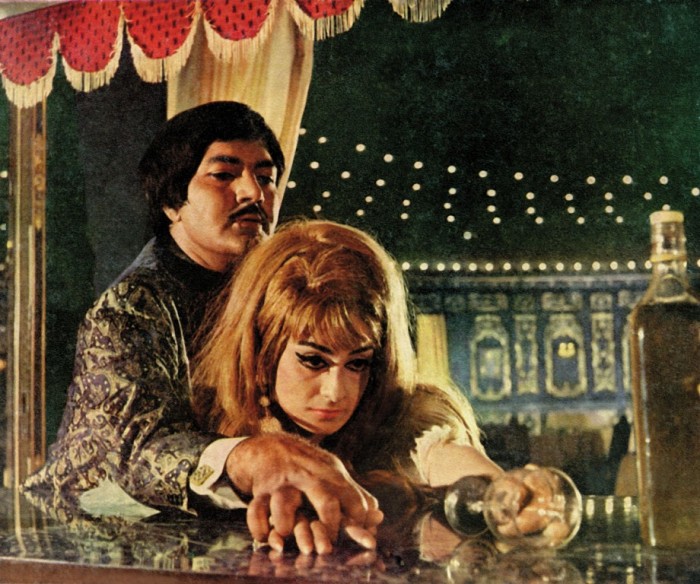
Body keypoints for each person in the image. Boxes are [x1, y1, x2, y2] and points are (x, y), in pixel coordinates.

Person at [21, 103, 381, 551]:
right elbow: (134, 450)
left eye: (266, 177)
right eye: (224, 175)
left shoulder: (278, 285)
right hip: (88, 536)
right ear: (173, 202)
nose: (253, 192)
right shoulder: (131, 306)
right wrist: (251, 457)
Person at [190, 219, 507, 554]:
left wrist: (510, 495)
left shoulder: (411, 418)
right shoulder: (202, 423)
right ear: (261, 352)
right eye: (313, 361)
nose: (336, 391)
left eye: (357, 363)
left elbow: (467, 472)